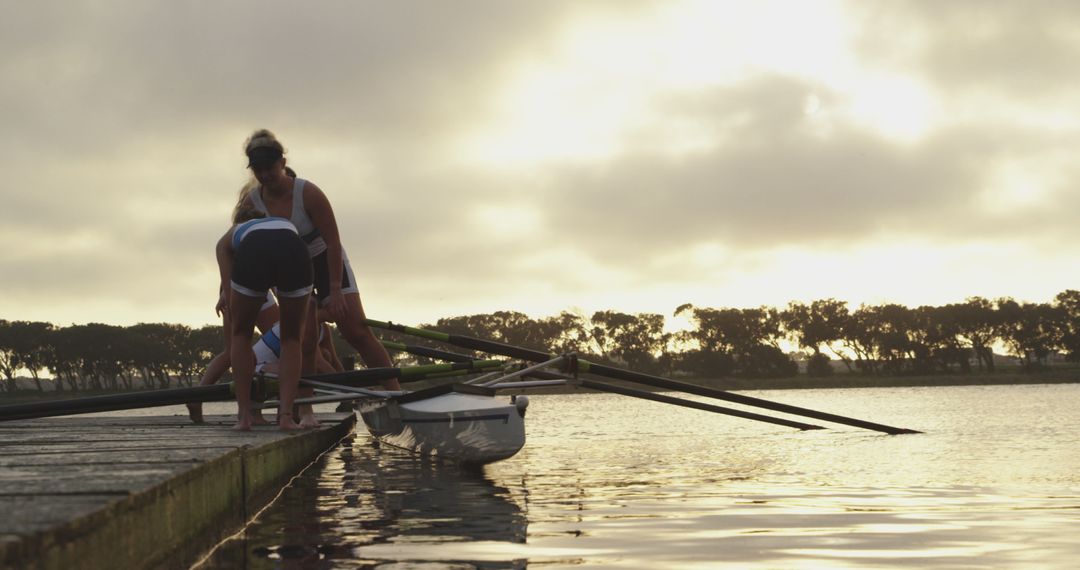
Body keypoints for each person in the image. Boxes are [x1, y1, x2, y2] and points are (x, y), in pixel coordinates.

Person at [237, 129, 400, 390]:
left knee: (356, 332)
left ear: (283, 164)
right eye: (258, 170)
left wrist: (335, 292)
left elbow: (334, 242)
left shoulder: (308, 193)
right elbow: (239, 245)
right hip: (289, 269)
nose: (265, 176)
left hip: (325, 260)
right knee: (303, 339)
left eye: (270, 168)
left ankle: (395, 394)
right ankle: (304, 404)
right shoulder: (252, 202)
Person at [215, 205, 316, 431]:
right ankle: (287, 417)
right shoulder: (283, 224)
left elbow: (222, 251)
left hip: (255, 252)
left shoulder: (235, 232)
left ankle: (244, 416)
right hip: (295, 252)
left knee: (241, 334)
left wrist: (229, 298)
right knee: (292, 339)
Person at [187, 292, 278, 424]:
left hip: (238, 285)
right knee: (282, 342)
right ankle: (262, 412)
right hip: (248, 284)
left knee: (232, 351)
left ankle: (198, 396)